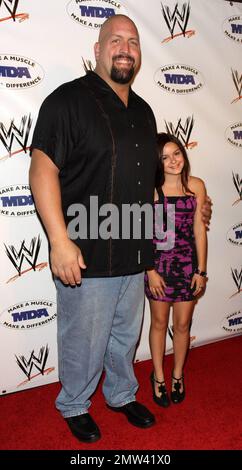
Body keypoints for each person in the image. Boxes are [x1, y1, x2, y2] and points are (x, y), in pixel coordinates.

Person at [29, 15, 211, 443]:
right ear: (98, 49)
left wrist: (194, 201)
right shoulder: (67, 101)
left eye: (132, 41)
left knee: (125, 334)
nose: (125, 47)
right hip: (86, 248)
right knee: (84, 336)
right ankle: (74, 403)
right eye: (115, 40)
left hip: (137, 248)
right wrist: (59, 240)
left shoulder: (145, 112)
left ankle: (121, 393)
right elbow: (42, 170)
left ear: (140, 54)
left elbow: (156, 180)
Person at [145, 133, 208, 408]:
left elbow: (199, 231)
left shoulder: (196, 186)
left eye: (177, 153)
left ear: (184, 153)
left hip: (187, 268)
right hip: (158, 267)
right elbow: (142, 232)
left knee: (182, 325)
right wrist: (149, 270)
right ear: (157, 163)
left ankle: (177, 375)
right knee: (159, 323)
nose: (173, 161)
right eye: (165, 157)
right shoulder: (150, 190)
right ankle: (158, 376)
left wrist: (201, 271)